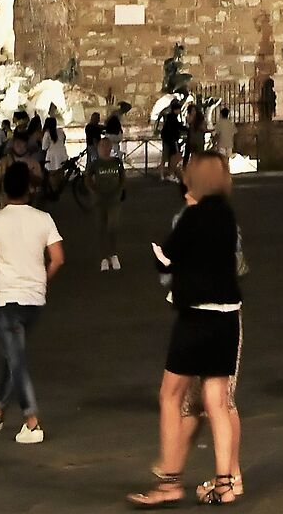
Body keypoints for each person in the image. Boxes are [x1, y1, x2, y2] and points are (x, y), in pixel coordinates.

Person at [129, 150, 242, 506]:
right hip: (228, 316)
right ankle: (225, 483)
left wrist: (161, 252)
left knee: (171, 395)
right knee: (217, 402)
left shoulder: (192, 218)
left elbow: (167, 256)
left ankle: (170, 482)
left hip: (196, 315)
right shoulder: (227, 216)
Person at [0, 156, 64, 444]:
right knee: (13, 355)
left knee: (17, 358)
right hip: (35, 300)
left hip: (7, 299)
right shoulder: (43, 219)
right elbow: (58, 258)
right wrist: (43, 279)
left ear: (3, 189)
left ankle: (32, 421)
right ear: (29, 189)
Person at [92, 129, 127, 271]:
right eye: (102, 147)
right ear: (98, 149)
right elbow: (88, 178)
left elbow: (123, 177)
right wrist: (94, 191)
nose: (105, 150)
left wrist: (120, 189)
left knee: (113, 227)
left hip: (114, 199)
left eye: (107, 147)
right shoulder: (95, 164)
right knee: (101, 227)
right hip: (99, 200)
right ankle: (103, 257)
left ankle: (113, 254)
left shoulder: (117, 162)